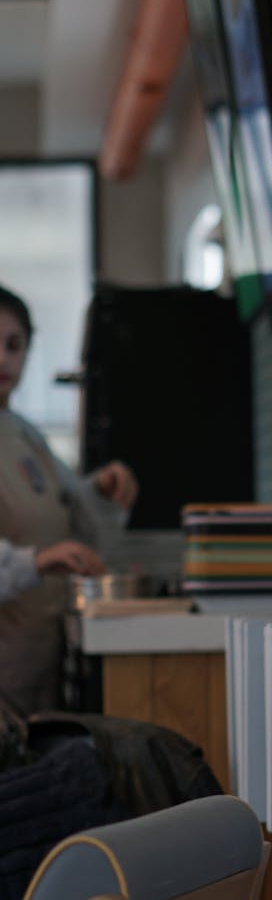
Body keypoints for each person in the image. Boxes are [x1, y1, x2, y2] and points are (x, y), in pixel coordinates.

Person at [0, 284, 138, 713]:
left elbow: (72, 510)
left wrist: (101, 489)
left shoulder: (24, 435)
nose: (3, 359)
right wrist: (38, 562)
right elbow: (44, 554)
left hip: (35, 669)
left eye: (14, 345)